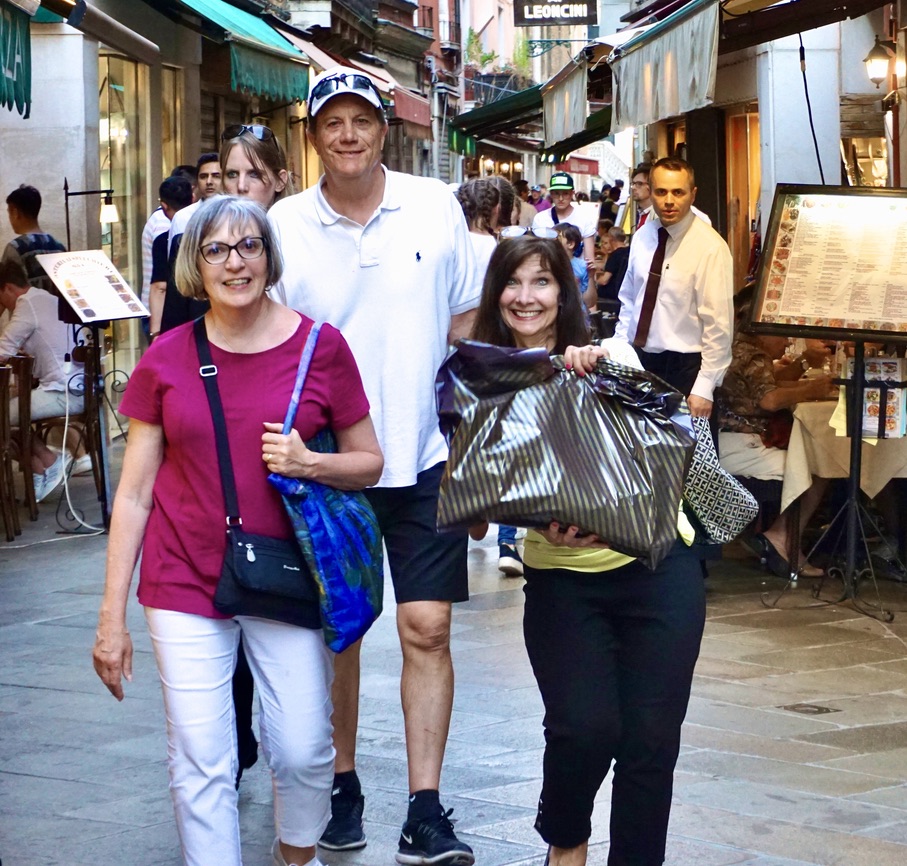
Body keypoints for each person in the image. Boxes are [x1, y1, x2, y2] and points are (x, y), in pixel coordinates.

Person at [92, 195, 383, 866]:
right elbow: (133, 495)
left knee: (305, 748)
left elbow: (370, 462)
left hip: (282, 571)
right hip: (181, 577)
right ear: (196, 264)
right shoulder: (166, 358)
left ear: (269, 256)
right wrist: (112, 617)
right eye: (216, 249)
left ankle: (296, 852)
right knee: (201, 756)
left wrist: (311, 461)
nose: (235, 261)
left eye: (249, 245)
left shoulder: (320, 347)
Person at [269, 65, 480, 865]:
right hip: (327, 465)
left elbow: (463, 312)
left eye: (362, 120)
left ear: (384, 130)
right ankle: (342, 783)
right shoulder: (286, 222)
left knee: (427, 626)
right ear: (315, 135)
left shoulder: (433, 204)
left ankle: (425, 807)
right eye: (333, 122)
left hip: (424, 455)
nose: (348, 134)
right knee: (339, 634)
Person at [469, 233, 704, 866]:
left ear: (563, 289)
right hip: (564, 582)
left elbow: (668, 436)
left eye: (541, 281)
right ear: (496, 295)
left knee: (652, 741)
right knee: (584, 725)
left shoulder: (610, 352)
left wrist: (607, 370)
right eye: (513, 283)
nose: (527, 297)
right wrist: (530, 518)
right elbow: (474, 513)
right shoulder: (480, 380)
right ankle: (565, 839)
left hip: (658, 567)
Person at [219, 120, 295, 788]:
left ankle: (295, 740)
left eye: (251, 176)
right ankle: (242, 730)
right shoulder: (207, 245)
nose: (239, 188)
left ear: (275, 181)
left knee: (283, 597)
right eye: (229, 175)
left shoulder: (293, 243)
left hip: (288, 448)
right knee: (236, 589)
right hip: (224, 448)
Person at [718, 290, 835, 577]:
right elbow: (769, 399)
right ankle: (782, 535)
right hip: (739, 445)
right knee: (818, 468)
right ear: (762, 329)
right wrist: (811, 390)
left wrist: (807, 372)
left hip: (728, 441)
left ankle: (779, 534)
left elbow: (772, 383)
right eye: (781, 332)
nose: (786, 340)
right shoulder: (752, 354)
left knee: (814, 460)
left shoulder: (738, 348)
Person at [615, 157, 734, 417]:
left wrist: (704, 387)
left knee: (690, 457)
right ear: (651, 192)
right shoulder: (643, 236)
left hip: (686, 368)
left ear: (692, 195)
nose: (669, 200)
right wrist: (620, 352)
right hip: (640, 362)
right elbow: (630, 301)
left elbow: (719, 325)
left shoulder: (710, 247)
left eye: (678, 192)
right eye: (661, 192)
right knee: (641, 454)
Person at [455, 177, 525, 577]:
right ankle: (506, 541)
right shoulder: (501, 252)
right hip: (497, 357)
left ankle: (473, 501)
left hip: (457, 362)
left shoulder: (450, 247)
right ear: (500, 210)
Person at [0, 259, 83, 502]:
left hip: (62, 393)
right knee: (8, 416)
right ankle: (39, 465)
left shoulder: (27, 304)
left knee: (2, 416)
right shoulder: (45, 298)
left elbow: (3, 349)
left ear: (7, 288)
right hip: (76, 387)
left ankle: (48, 460)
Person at [148, 176, 193, 337]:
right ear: (193, 198)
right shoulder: (208, 234)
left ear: (163, 206)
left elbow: (160, 287)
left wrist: (156, 333)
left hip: (175, 315)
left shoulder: (163, 240)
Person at [2, 184, 66, 293]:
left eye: (9, 213)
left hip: (29, 309)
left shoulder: (15, 249)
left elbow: (3, 293)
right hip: (57, 309)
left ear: (15, 213)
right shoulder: (59, 247)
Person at [531, 173, 596, 268]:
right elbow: (536, 252)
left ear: (572, 193)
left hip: (576, 277)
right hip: (548, 271)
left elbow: (589, 260)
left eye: (565, 193)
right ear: (551, 194)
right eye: (556, 193)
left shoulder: (584, 218)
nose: (561, 199)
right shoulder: (540, 218)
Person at [553, 223, 594, 310]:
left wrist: (591, 277)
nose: (553, 241)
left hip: (576, 316)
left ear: (571, 244)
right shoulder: (547, 264)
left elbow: (589, 302)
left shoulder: (583, 266)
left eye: (557, 238)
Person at [629, 164, 653, 229]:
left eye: (639, 184)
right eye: (633, 184)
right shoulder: (640, 214)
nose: (633, 187)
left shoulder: (657, 216)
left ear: (651, 186)